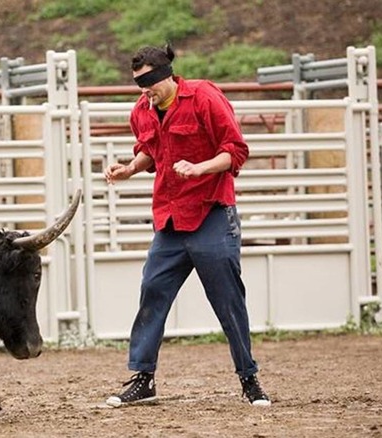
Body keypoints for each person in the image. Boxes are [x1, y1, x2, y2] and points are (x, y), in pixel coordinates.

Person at [103, 44, 270, 407]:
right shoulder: (142, 111)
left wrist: (199, 168)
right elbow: (152, 150)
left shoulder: (205, 97)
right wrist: (130, 169)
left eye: (148, 82)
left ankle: (249, 378)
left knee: (227, 300)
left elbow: (235, 150)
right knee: (152, 291)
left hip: (211, 212)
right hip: (170, 218)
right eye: (137, 83)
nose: (144, 90)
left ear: (166, 75)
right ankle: (143, 378)